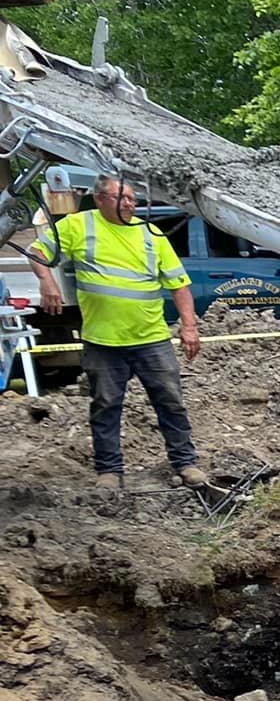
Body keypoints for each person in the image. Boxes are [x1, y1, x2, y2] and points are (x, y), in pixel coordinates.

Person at [24, 174, 208, 492]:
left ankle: (185, 462)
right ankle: (109, 471)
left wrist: (189, 326)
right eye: (121, 198)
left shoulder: (151, 234)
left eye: (133, 199)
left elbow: (180, 286)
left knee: (171, 402)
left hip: (151, 338)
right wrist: (46, 280)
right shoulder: (79, 226)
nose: (129, 204)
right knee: (106, 405)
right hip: (103, 341)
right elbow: (37, 251)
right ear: (99, 199)